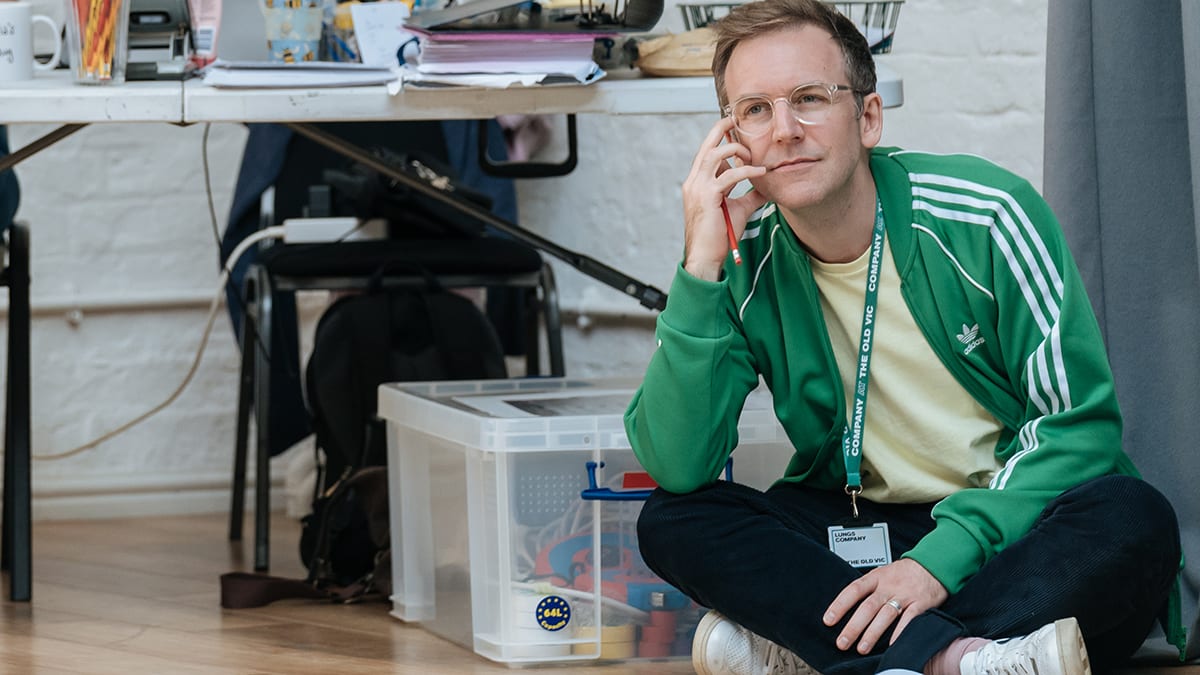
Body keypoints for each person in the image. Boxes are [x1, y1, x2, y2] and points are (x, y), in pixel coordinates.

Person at [623, 1, 1186, 674]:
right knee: (673, 516)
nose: (784, 130)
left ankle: (825, 649)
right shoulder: (743, 264)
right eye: (754, 110)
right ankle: (962, 659)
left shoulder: (987, 217)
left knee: (1134, 516)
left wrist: (936, 564)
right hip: (863, 527)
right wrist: (701, 264)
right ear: (731, 137)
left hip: (1008, 526)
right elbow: (680, 463)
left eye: (809, 98)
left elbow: (1079, 429)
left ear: (867, 117)